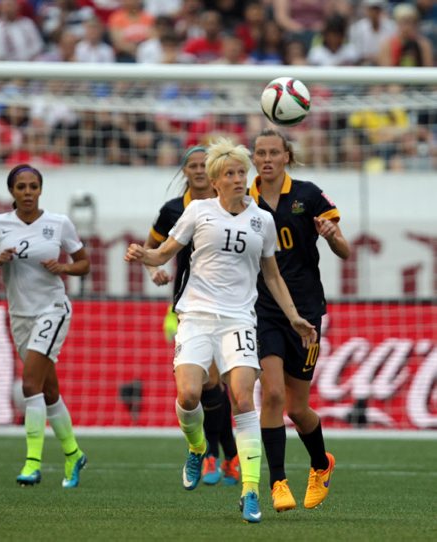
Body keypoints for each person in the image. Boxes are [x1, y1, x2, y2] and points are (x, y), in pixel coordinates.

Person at [125, 137, 317, 523]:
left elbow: (272, 276)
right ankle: (197, 448)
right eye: (228, 174)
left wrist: (293, 315)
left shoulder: (261, 219)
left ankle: (250, 492)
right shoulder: (198, 212)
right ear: (215, 181)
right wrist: (144, 256)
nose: (236, 179)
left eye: (239, 173)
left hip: (239, 320)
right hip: (195, 316)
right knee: (189, 393)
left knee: (244, 399)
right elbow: (164, 252)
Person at [250, 129, 350, 512]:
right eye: (261, 153)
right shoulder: (246, 200)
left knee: (297, 407)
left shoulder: (308, 196)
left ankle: (321, 464)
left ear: (287, 156)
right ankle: (277, 482)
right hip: (264, 310)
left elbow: (345, 248)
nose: (268, 159)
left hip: (306, 311)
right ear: (254, 158)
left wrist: (330, 235)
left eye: (274, 152)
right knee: (272, 394)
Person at [0, 163, 90, 488]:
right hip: (20, 316)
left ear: (41, 189)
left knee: (29, 385)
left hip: (52, 309)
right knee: (49, 390)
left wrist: (64, 267)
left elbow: (84, 262)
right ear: (11, 191)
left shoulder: (59, 223)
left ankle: (32, 463)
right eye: (21, 187)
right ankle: (74, 454)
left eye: (33, 186)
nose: (27, 193)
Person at [144, 146, 240, 487]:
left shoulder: (229, 204)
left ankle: (221, 456)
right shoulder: (174, 210)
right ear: (184, 171)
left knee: (221, 385)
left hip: (230, 307)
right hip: (190, 306)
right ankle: (217, 454)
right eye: (193, 166)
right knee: (206, 386)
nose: (199, 171)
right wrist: (152, 267)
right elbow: (152, 248)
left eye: (204, 165)